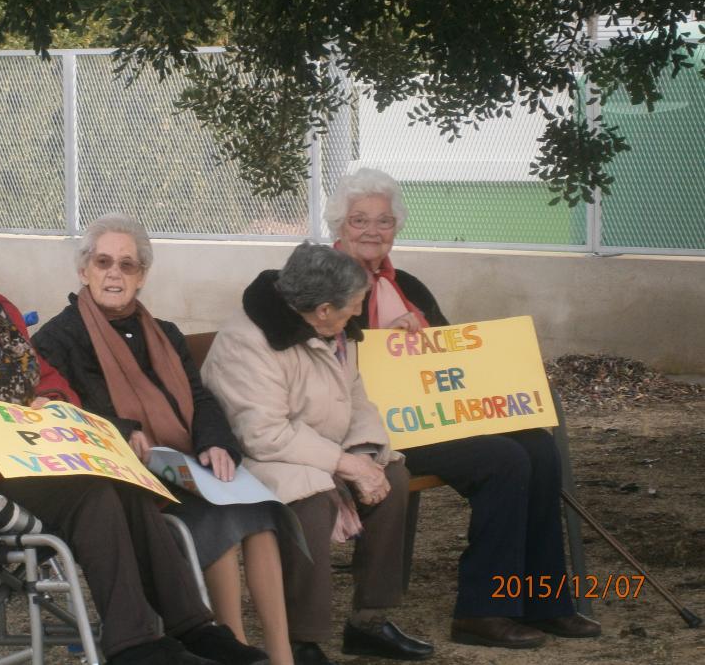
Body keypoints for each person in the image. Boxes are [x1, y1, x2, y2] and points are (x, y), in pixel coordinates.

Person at [0, 188, 267, 665]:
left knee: (125, 480)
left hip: (9, 460)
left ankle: (194, 628)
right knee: (90, 493)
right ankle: (134, 645)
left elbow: (45, 377)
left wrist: (52, 403)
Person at [326, 167, 602, 648]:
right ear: (339, 226)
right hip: (370, 430)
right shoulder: (323, 281)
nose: (372, 230)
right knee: (503, 459)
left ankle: (543, 600)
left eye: (384, 221)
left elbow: (450, 356)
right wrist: (379, 343)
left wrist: (441, 345)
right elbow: (319, 359)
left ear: (396, 227)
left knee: (538, 447)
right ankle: (482, 611)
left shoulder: (408, 284)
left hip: (428, 417)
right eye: (359, 220)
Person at [32, 213, 289, 665]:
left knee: (259, 514)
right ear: (84, 270)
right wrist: (124, 429)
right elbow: (67, 414)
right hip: (126, 475)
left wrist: (215, 442)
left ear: (142, 275)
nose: (114, 273)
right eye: (103, 262)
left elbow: (199, 398)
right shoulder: (58, 339)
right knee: (218, 521)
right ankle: (227, 643)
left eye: (127, 265)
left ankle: (280, 653)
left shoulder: (165, 333)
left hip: (184, 464)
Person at [201, 242, 435, 665]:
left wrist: (364, 454)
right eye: (353, 306)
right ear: (324, 309)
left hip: (319, 446)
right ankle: (302, 638)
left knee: (393, 478)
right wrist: (343, 463)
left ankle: (368, 621)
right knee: (311, 500)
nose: (358, 313)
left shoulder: (334, 328)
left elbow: (355, 395)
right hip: (256, 457)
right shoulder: (248, 341)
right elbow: (262, 433)